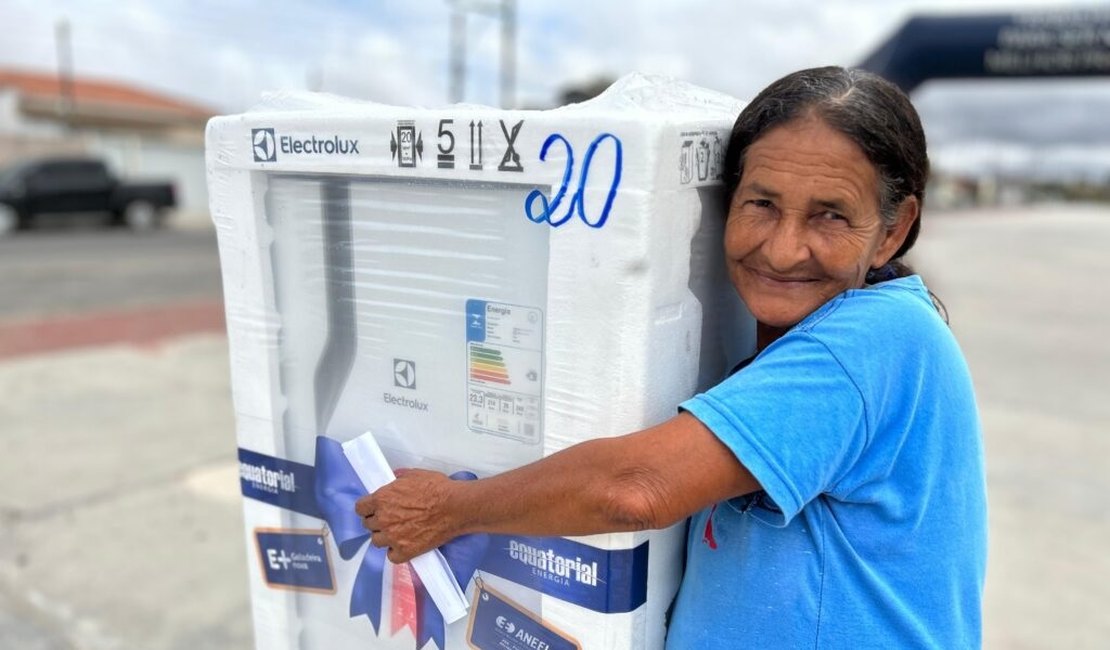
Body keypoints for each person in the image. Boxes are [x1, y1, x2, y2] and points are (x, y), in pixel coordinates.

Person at [356, 66, 987, 648]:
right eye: (762, 204)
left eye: (830, 216)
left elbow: (635, 489)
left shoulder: (874, 339)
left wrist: (450, 509)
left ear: (894, 229)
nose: (785, 249)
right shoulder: (792, 333)